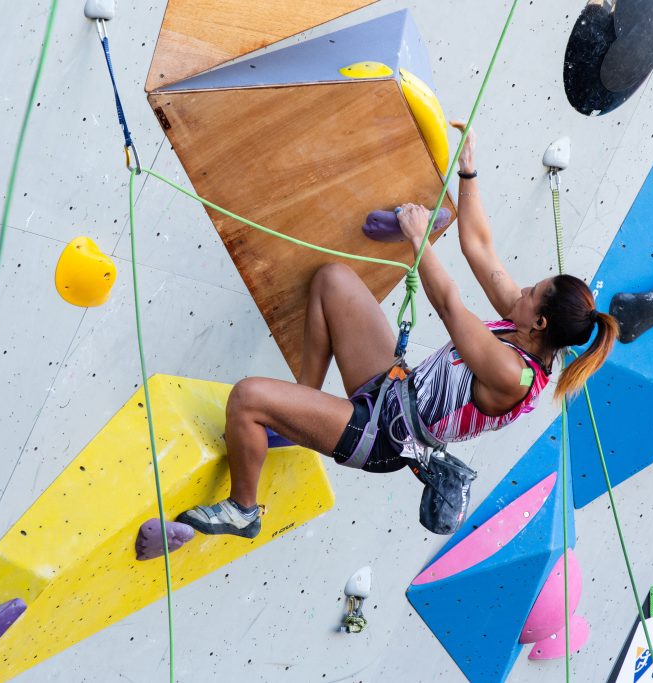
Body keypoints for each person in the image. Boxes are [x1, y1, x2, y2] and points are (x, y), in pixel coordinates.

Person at [176, 122, 619, 538]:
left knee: (247, 398)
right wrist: (468, 171)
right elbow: (480, 248)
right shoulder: (523, 324)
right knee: (333, 279)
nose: (521, 289)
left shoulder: (512, 373)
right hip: (394, 386)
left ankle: (243, 510)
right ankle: (298, 407)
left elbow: (449, 306)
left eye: (532, 292)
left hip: (383, 436)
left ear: (540, 322)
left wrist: (417, 239)